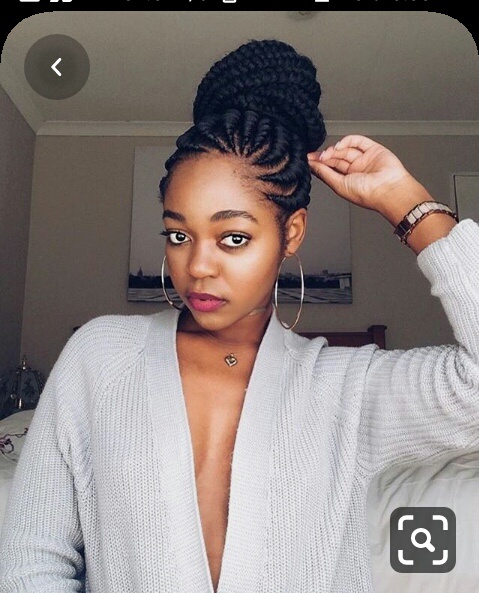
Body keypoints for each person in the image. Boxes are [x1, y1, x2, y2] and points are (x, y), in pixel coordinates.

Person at [0, 38, 478, 593]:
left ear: (291, 234)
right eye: (179, 235)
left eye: (233, 237)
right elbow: (31, 561)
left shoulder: (351, 390)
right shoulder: (99, 358)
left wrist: (406, 201)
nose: (198, 266)